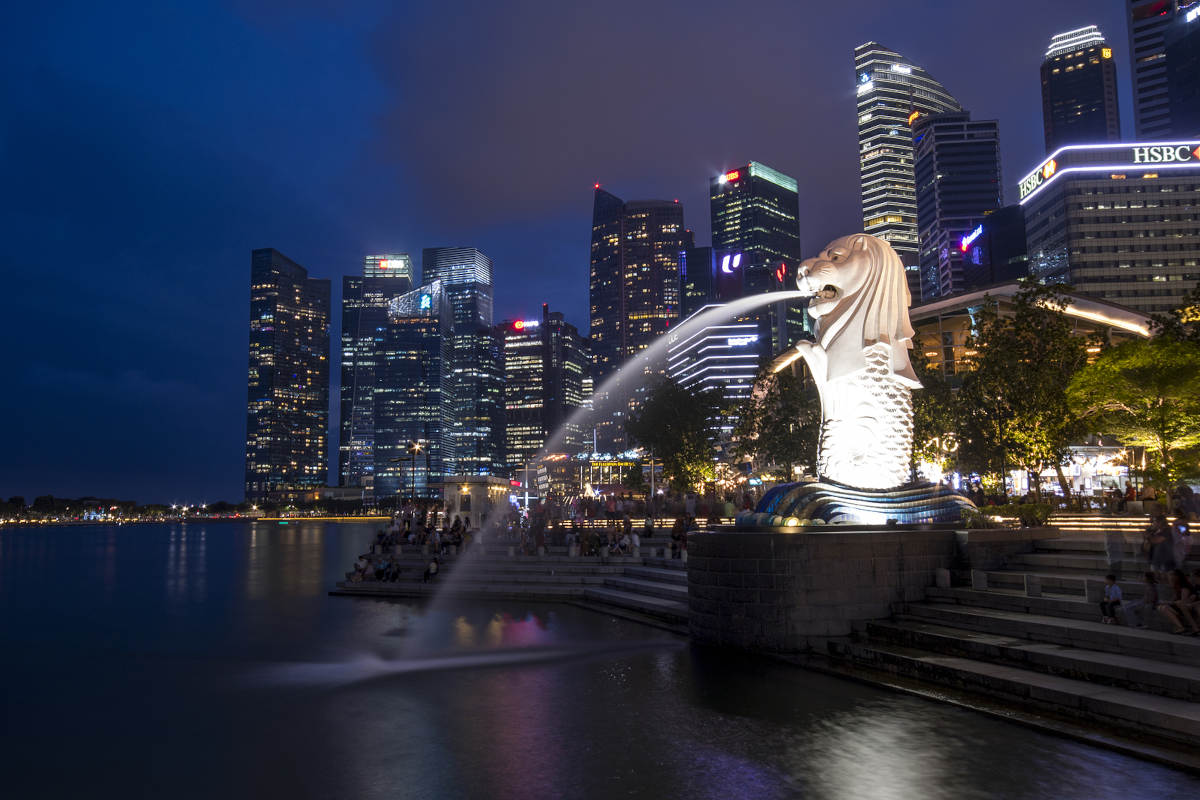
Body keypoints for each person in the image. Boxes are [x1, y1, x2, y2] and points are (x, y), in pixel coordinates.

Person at [1158, 569, 1200, 635]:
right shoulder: (1176, 586)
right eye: (1169, 575)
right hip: (1182, 607)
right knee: (1161, 607)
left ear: (1177, 576)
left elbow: (1183, 601)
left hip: (1188, 608)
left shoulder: (1184, 587)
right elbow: (1174, 600)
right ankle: (1181, 627)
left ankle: (1195, 628)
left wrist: (1169, 602)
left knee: (1170, 606)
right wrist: (1167, 602)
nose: (1169, 577)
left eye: (1171, 575)